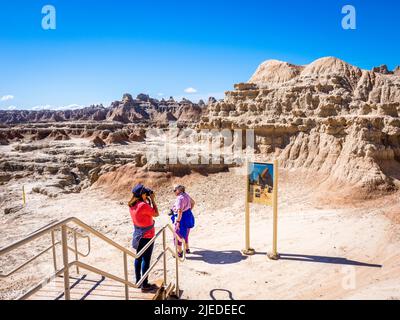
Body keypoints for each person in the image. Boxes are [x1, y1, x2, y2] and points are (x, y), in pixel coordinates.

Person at [128, 183, 159, 293]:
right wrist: (153, 200)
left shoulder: (132, 204)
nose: (147, 194)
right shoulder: (143, 205)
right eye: (145, 193)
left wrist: (147, 198)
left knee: (138, 257)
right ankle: (144, 285)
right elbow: (156, 214)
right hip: (147, 236)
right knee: (146, 259)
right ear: (142, 195)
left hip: (138, 235)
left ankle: (138, 281)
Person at [170, 185, 195, 257]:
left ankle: (179, 252)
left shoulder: (180, 198)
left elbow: (180, 211)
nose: (174, 192)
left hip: (182, 219)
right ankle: (187, 249)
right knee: (186, 233)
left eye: (174, 190)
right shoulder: (186, 195)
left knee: (177, 236)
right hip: (188, 216)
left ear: (178, 190)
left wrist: (178, 221)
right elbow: (193, 202)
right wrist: (188, 210)